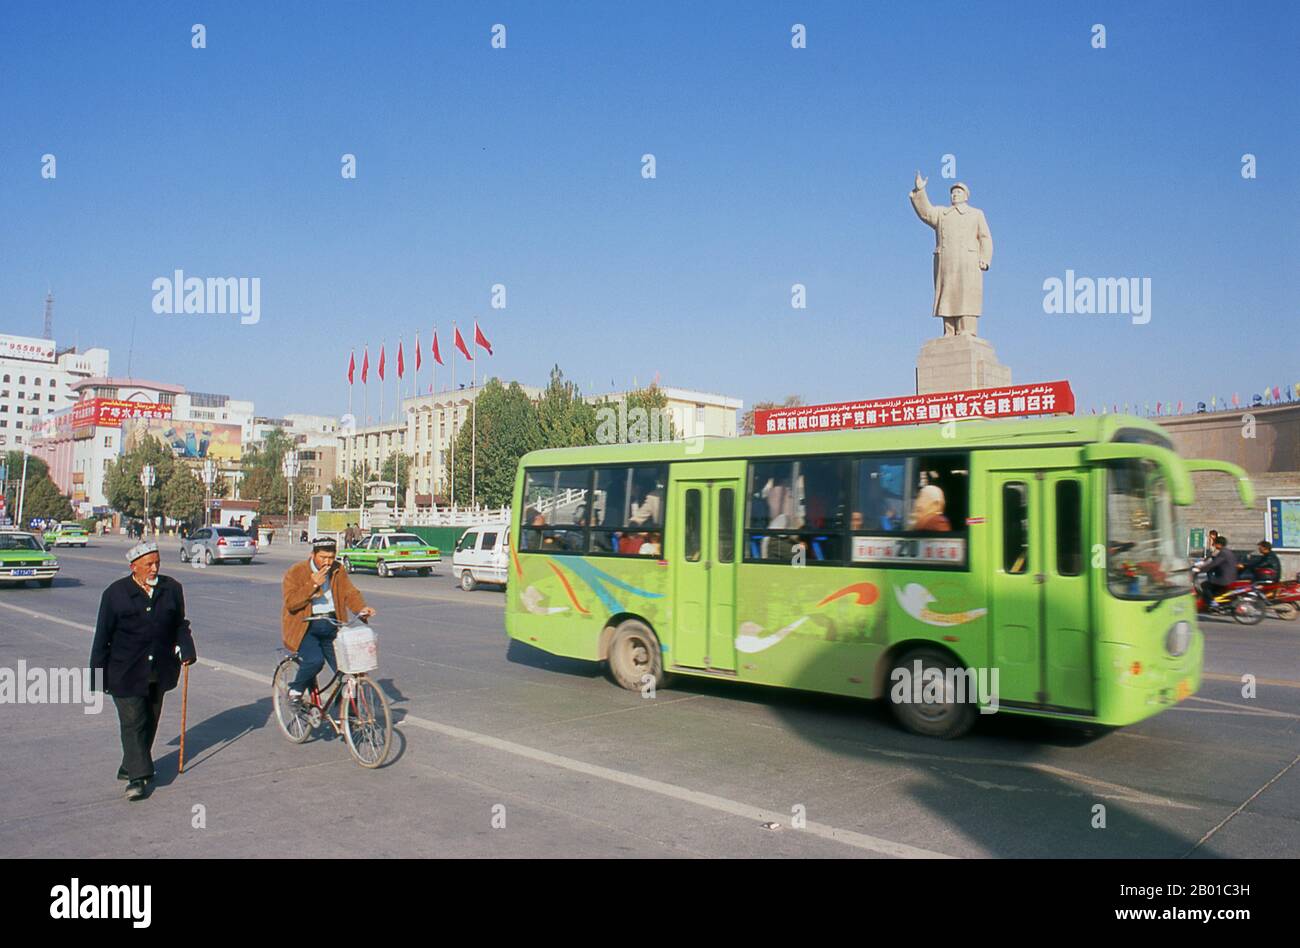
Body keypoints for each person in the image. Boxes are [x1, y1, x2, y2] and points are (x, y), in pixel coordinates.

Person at [89, 541, 197, 801]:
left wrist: (187, 648)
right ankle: (138, 779)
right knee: (133, 722)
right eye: (148, 564)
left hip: (158, 669)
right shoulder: (115, 594)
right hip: (124, 671)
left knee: (150, 719)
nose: (154, 568)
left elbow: (180, 624)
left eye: (157, 562)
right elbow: (102, 635)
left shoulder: (171, 589)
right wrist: (97, 677)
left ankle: (130, 765)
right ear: (133, 567)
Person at [281, 537, 375, 704]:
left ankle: (349, 718)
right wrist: (313, 584)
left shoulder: (338, 570)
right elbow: (291, 603)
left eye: (331, 557)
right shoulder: (296, 571)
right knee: (314, 661)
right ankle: (295, 690)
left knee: (348, 670)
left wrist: (361, 609)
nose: (327, 562)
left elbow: (350, 593)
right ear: (313, 555)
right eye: (323, 557)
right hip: (305, 627)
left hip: (332, 624)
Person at [1195, 535, 1238, 602]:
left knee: (1204, 585)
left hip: (1224, 579)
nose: (1213, 545)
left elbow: (1214, 564)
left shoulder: (1223, 553)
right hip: (1231, 577)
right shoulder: (1228, 552)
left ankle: (1212, 603)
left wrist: (1200, 570)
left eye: (1214, 543)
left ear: (1218, 544)